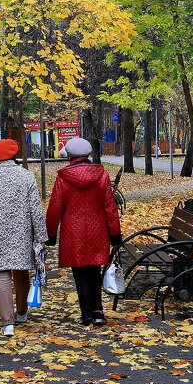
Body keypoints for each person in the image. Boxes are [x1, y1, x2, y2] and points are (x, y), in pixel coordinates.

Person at [0, 139, 48, 337]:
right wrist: (41, 237)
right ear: (15, 154)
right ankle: (22, 311)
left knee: (1, 274)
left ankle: (7, 323)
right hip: (21, 232)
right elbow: (35, 211)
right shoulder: (26, 177)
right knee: (21, 270)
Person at [46, 137, 123, 328]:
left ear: (70, 156)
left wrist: (51, 235)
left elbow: (55, 208)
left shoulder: (63, 178)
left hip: (73, 232)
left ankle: (86, 314)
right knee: (95, 272)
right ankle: (98, 313)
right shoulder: (102, 176)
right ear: (88, 154)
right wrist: (115, 234)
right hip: (98, 230)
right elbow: (110, 207)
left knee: (80, 274)